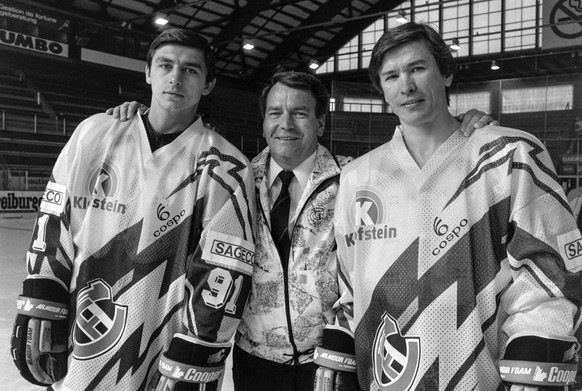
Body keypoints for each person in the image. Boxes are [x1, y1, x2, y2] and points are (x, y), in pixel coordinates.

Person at [107, 75, 495, 391]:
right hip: (253, 359)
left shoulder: (356, 178)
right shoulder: (231, 178)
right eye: (275, 112)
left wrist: (463, 129)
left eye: (300, 113)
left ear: (321, 122)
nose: (285, 124)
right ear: (263, 122)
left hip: (331, 357)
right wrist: (141, 121)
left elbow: (418, 181)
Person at [325, 21, 582, 391]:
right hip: (386, 378)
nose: (407, 85)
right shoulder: (356, 177)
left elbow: (550, 278)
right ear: (381, 90)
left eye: (417, 68)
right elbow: (351, 285)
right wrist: (341, 350)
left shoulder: (508, 154)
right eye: (391, 75)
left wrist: (533, 369)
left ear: (446, 72)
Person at [10, 28, 256, 391]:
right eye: (165, 65)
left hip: (159, 347)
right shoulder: (93, 134)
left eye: (191, 70)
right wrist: (42, 292)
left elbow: (223, 269)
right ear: (148, 73)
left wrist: (198, 352)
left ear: (208, 84)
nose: (175, 77)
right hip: (82, 333)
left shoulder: (226, 167)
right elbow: (52, 218)